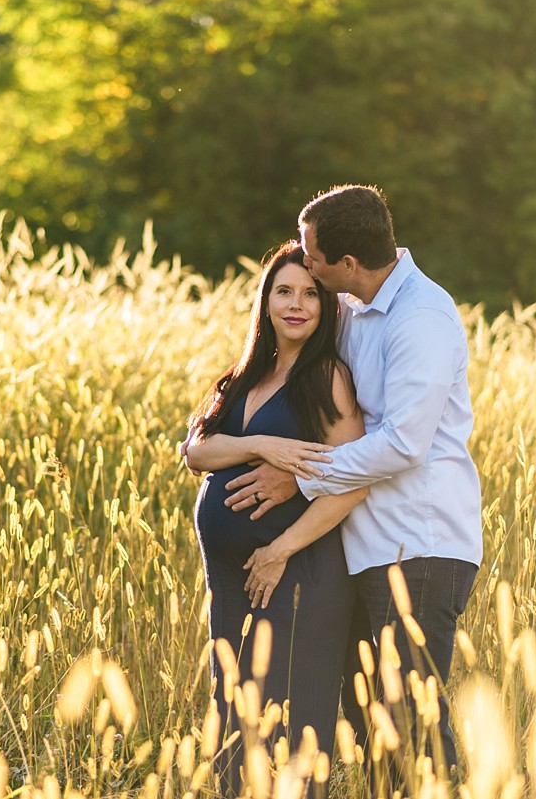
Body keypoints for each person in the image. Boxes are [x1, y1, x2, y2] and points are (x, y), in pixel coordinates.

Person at [222, 185, 483, 786]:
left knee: (409, 719)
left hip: (419, 548)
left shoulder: (422, 318)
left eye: (311, 255)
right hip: (365, 551)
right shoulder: (352, 309)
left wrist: (298, 478)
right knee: (371, 723)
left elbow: (402, 443)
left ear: (347, 264)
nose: (304, 262)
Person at [183, 240, 368, 795]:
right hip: (233, 583)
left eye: (311, 294)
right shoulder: (243, 375)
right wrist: (262, 443)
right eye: (284, 291)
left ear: (327, 306)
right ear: (265, 301)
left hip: (295, 578)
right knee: (234, 710)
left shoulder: (327, 378)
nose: (297, 304)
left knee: (290, 720)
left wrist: (280, 548)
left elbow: (353, 483)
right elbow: (196, 451)